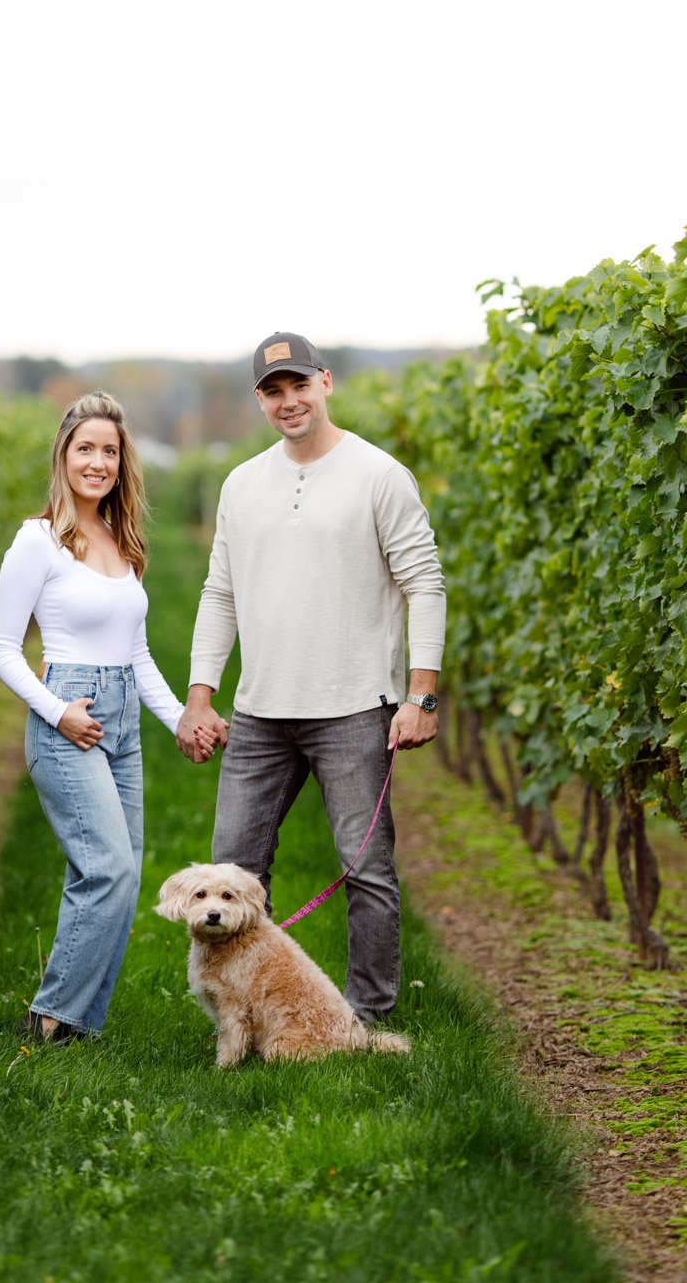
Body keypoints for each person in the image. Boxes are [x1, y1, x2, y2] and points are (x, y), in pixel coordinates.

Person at [177, 332, 445, 1026]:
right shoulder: (243, 483)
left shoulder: (379, 475)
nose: (288, 400)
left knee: (368, 875)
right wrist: (201, 694)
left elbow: (424, 584)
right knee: (232, 873)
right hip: (261, 712)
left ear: (325, 383)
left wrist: (420, 695)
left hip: (355, 707)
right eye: (273, 390)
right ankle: (247, 1014)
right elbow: (219, 594)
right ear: (260, 399)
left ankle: (365, 1019)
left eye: (298, 384)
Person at [0, 390, 222, 1043]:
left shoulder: (121, 539)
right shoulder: (37, 540)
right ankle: (49, 1015)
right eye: (85, 448)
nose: (98, 462)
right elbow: (2, 649)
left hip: (121, 717)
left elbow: (137, 654)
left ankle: (79, 1026)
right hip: (71, 714)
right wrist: (57, 710)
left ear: (123, 464)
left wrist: (181, 718)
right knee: (109, 869)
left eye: (110, 451)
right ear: (63, 456)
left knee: (119, 875)